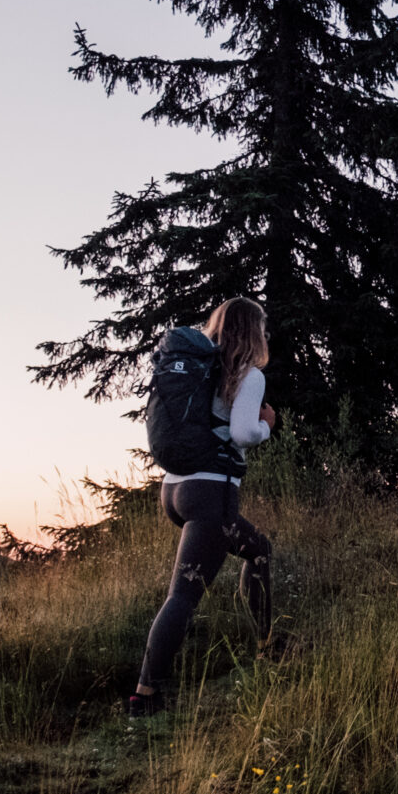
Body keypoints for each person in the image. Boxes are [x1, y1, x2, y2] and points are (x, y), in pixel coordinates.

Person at [129, 297, 276, 718]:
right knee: (183, 595)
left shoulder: (201, 368)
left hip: (174, 490)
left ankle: (268, 644)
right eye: (262, 329)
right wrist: (267, 424)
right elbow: (244, 431)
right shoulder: (246, 375)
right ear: (253, 331)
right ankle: (145, 694)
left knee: (259, 550)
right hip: (210, 494)